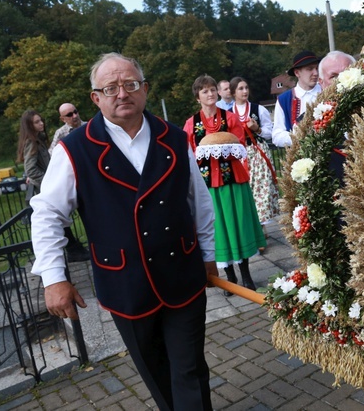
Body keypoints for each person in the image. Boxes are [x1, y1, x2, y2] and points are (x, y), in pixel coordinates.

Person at [30, 53, 218, 411]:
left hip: (182, 272)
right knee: (155, 370)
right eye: (110, 87)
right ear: (95, 98)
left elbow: (200, 203)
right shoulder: (74, 149)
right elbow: (47, 213)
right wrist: (53, 278)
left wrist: (208, 256)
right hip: (124, 283)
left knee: (190, 369)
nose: (122, 93)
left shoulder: (175, 139)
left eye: (131, 84)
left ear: (145, 90)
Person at [183, 74, 266, 295]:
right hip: (207, 184)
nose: (210, 94)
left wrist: (224, 148)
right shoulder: (191, 123)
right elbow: (188, 154)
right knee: (218, 228)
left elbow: (240, 145)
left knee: (239, 224)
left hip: (233, 180)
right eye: (204, 91)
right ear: (197, 97)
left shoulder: (229, 118)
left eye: (212, 90)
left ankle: (246, 275)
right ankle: (229, 279)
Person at [18, 110, 88, 262]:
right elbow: (30, 169)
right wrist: (50, 181)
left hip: (47, 188)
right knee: (60, 220)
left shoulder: (39, 139)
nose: (41, 123)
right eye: (37, 122)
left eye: (41, 120)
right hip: (46, 190)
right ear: (29, 125)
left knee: (62, 221)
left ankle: (74, 249)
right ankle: (73, 251)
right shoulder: (32, 142)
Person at [229, 76, 279, 246]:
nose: (245, 91)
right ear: (233, 92)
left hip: (258, 153)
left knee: (262, 189)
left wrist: (256, 128)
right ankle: (255, 230)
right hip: (241, 156)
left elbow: (269, 133)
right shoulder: (229, 115)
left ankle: (261, 230)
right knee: (247, 191)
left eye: (246, 88)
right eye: (241, 89)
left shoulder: (259, 109)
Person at [272, 50, 322, 147]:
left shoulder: (327, 91)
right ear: (297, 73)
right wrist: (300, 136)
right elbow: (276, 136)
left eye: (316, 68)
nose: (315, 73)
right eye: (310, 69)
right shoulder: (284, 99)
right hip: (300, 158)